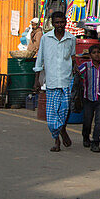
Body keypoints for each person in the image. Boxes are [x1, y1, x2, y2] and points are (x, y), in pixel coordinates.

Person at [33, 11, 76, 152]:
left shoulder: (71, 39)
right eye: (57, 22)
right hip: (51, 82)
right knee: (52, 117)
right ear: (52, 23)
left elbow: (73, 58)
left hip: (66, 81)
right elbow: (40, 60)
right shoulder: (46, 39)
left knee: (63, 112)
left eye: (62, 22)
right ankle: (57, 138)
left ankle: (61, 131)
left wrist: (76, 70)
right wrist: (37, 81)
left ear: (65, 22)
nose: (59, 25)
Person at [77, 45, 100, 153]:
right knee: (87, 120)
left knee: (99, 121)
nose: (96, 54)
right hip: (88, 97)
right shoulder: (86, 66)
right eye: (94, 53)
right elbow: (77, 73)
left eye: (98, 52)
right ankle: (86, 137)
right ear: (90, 55)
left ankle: (96, 142)